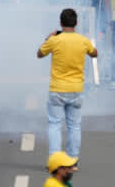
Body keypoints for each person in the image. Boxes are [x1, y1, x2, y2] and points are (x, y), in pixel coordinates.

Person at [37, 8, 97, 159]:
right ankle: (73, 160)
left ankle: (55, 160)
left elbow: (39, 54)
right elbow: (94, 53)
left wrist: (48, 38)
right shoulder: (82, 41)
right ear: (76, 23)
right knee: (74, 126)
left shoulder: (54, 40)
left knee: (54, 125)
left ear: (60, 23)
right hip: (76, 89)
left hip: (57, 89)